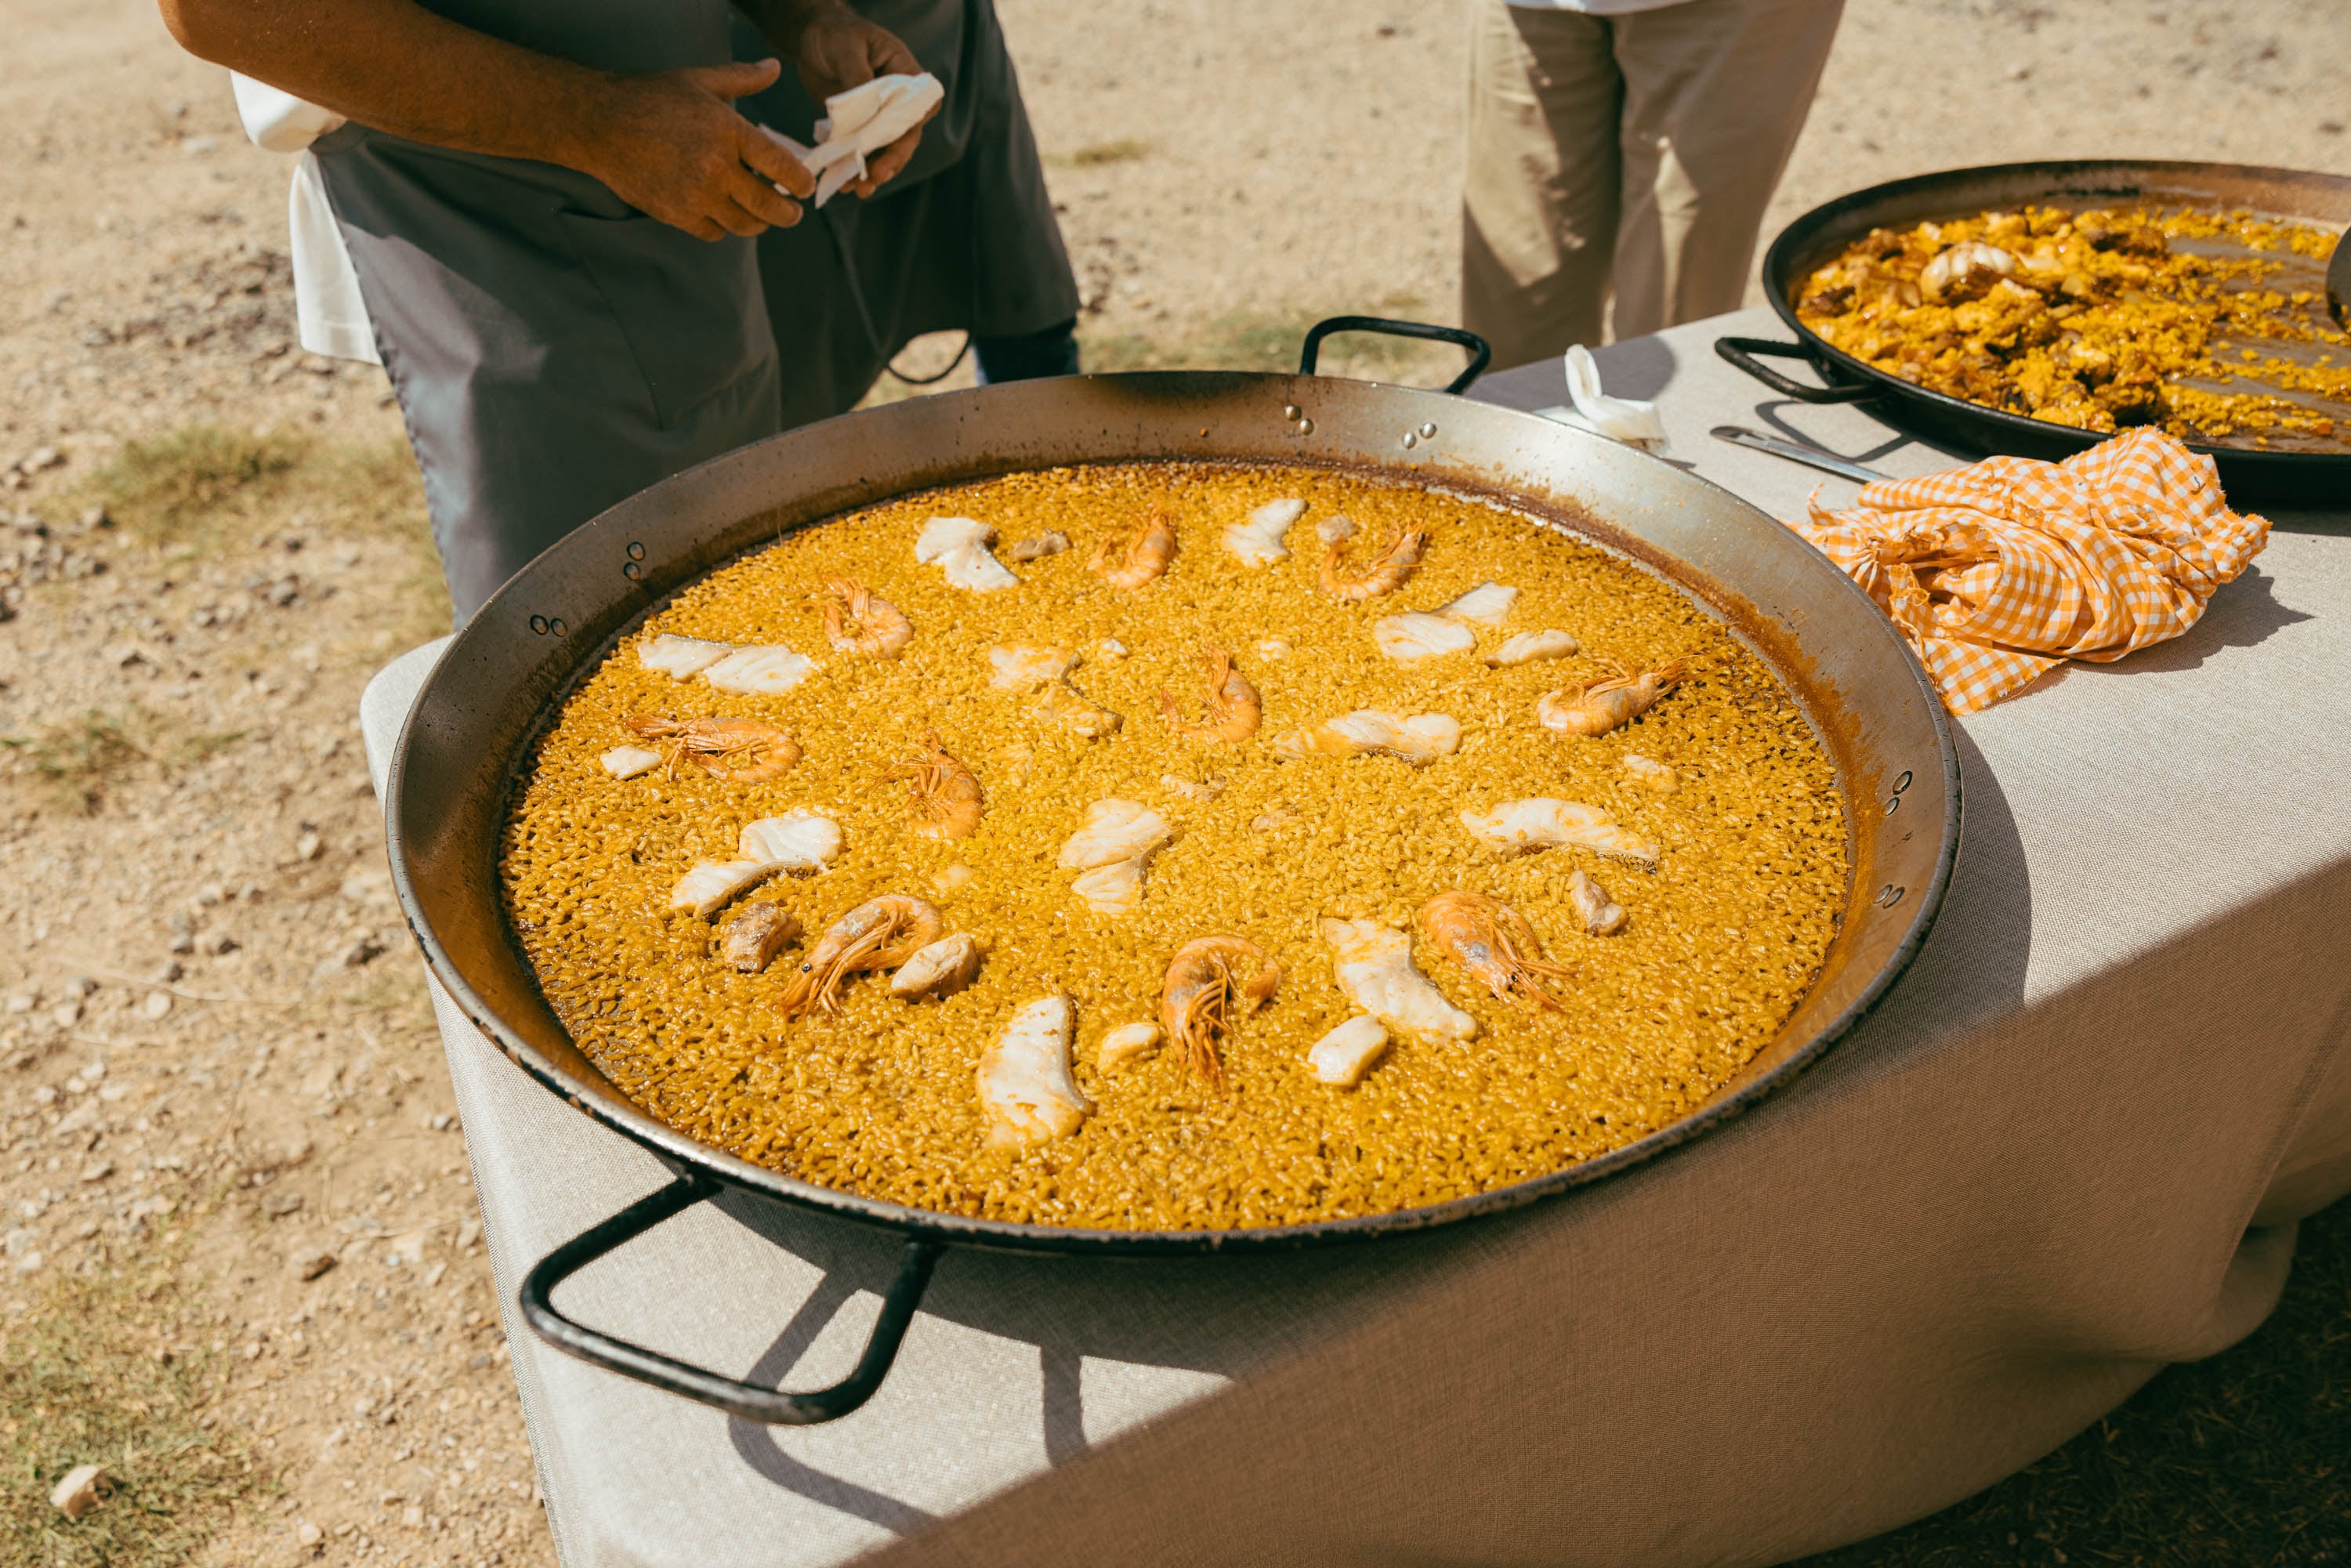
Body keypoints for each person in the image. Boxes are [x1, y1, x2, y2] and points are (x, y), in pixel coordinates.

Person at [157, 0, 955, 623]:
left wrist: (805, 15)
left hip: (679, 163)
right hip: (488, 216)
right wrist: (599, 123)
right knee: (583, 644)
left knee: (745, 573)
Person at [731, 1, 1081, 429]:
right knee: (785, 387)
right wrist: (806, 16)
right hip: (771, 75)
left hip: (949, 42)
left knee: (1027, 319)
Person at [1461, 0, 1846, 370]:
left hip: (1738, 11)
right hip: (1528, 9)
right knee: (1520, 316)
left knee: (1674, 313)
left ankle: (1650, 437)